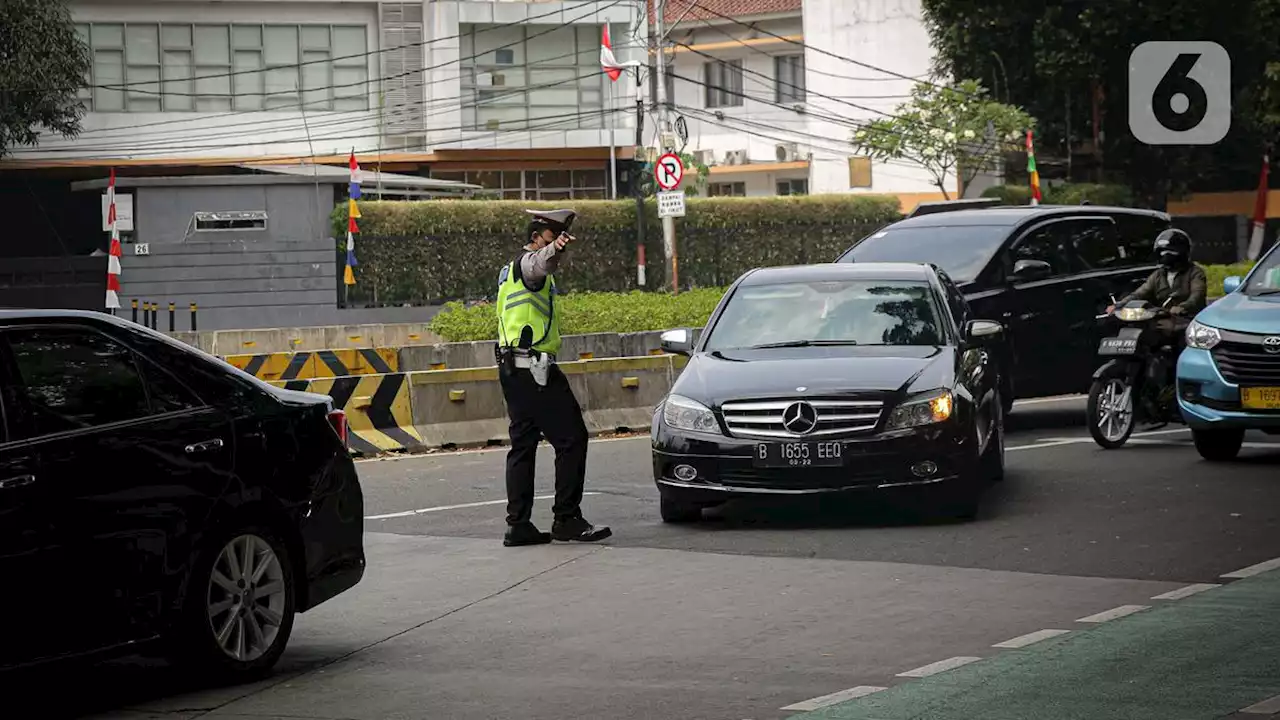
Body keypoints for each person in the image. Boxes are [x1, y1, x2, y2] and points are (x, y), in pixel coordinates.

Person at [494, 209, 611, 547]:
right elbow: (541, 264)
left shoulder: (508, 272)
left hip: (511, 369)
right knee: (572, 438)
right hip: (534, 369)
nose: (560, 244)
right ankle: (567, 519)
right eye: (553, 236)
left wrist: (554, 249)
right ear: (538, 236)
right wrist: (553, 249)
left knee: (523, 445)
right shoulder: (527, 265)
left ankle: (518, 525)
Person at [1107, 227, 1208, 345]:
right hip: (1163, 318)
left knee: (1183, 340)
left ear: (1182, 251)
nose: (1165, 255)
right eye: (1162, 251)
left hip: (1189, 320)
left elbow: (1197, 295)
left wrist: (1183, 307)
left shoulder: (1195, 273)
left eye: (1170, 251)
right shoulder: (1158, 275)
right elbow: (1140, 293)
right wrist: (1119, 305)